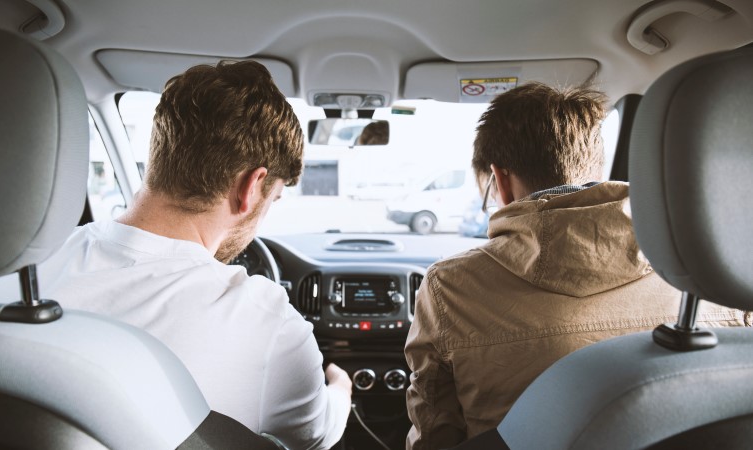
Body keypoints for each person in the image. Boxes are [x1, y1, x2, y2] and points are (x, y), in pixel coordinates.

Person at [403, 82, 748, 449]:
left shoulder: (450, 286)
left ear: (501, 182)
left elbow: (434, 433)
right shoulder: (719, 274)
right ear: (595, 168)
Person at [39, 60, 352, 450]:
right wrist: (340, 387)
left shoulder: (24, 270)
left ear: (160, 156)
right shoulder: (268, 322)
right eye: (274, 198)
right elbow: (316, 436)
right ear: (251, 187)